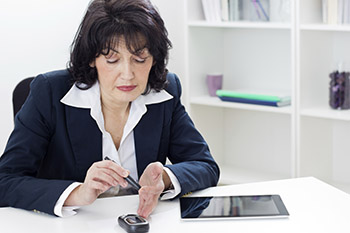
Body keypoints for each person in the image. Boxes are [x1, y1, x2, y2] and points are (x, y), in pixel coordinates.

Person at [0, 0, 220, 218]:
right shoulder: (49, 92)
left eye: (140, 58)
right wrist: (79, 192)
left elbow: (205, 166)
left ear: (154, 59)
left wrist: (163, 178)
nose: (127, 74)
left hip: (141, 222)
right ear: (92, 59)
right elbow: (5, 180)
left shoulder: (165, 93)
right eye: (112, 59)